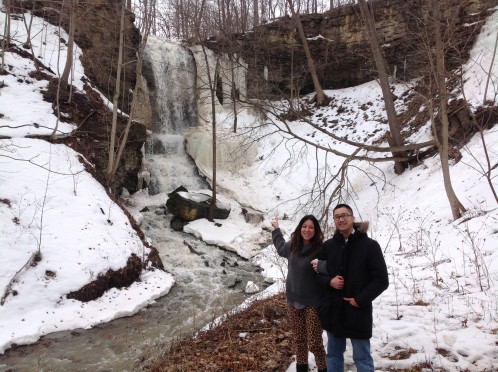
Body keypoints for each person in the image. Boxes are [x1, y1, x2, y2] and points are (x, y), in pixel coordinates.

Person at [313, 204, 389, 372]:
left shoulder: (370, 246)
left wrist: (360, 300)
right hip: (334, 310)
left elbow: (381, 280)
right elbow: (318, 275)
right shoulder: (328, 246)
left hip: (358, 311)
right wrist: (329, 282)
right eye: (337, 216)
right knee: (333, 355)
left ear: (353, 218)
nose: (341, 219)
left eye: (344, 215)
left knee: (362, 358)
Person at [271, 215, 327, 372]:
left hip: (313, 303)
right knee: (299, 340)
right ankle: (301, 368)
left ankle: (323, 368)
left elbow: (332, 265)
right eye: (304, 226)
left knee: (315, 343)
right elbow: (281, 248)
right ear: (299, 228)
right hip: (293, 300)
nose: (307, 230)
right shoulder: (293, 245)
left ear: (315, 231)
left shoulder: (320, 249)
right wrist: (276, 230)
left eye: (311, 227)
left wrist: (322, 265)